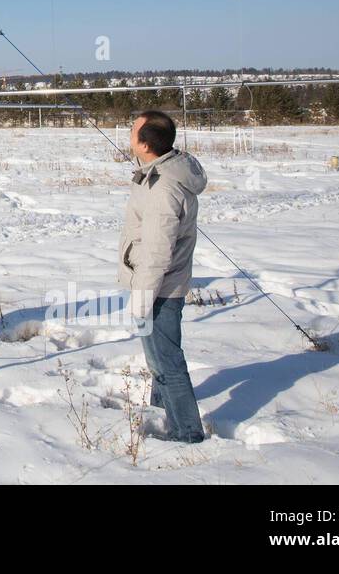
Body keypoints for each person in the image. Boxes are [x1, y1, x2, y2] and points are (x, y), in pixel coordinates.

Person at [118, 109, 208, 443]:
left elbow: (157, 252)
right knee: (157, 359)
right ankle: (162, 407)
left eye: (133, 131)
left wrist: (141, 299)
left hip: (159, 289)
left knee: (169, 362)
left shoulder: (164, 188)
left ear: (145, 144)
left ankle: (188, 433)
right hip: (150, 283)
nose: (129, 135)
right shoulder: (159, 171)